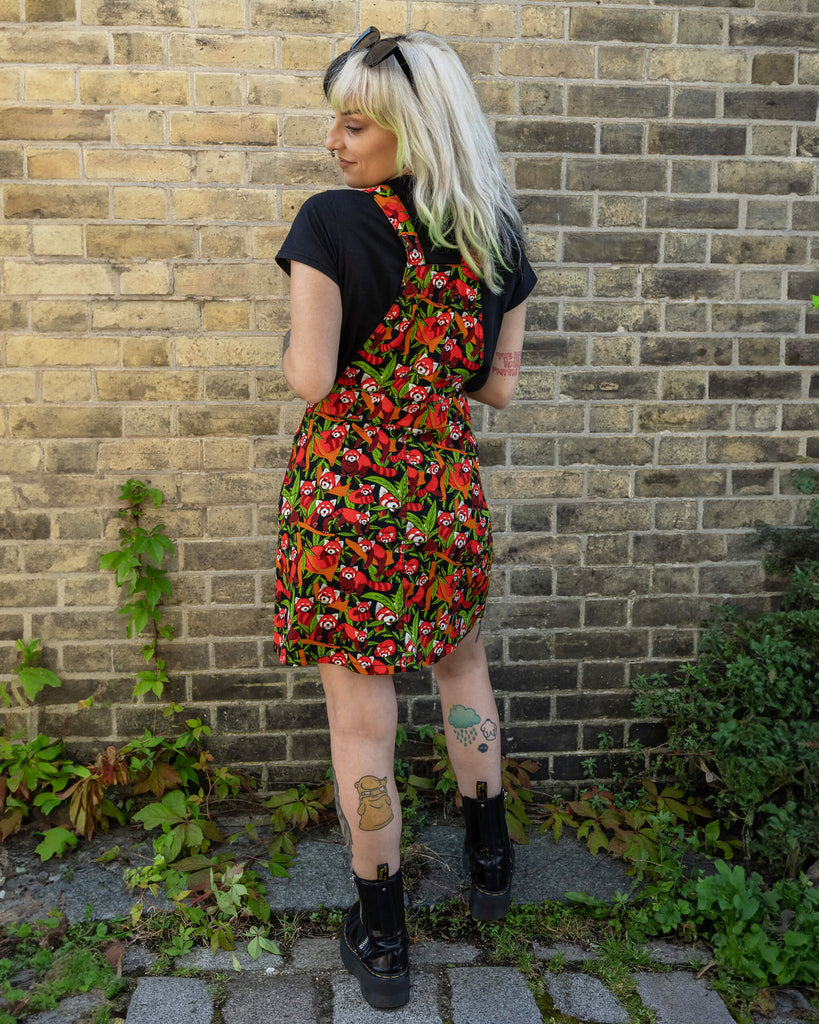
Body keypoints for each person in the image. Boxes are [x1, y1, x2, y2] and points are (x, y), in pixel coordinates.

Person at [272, 27, 537, 1009]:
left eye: (355, 123)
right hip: (441, 493)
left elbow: (311, 378)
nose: (335, 142)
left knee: (362, 721)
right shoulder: (497, 236)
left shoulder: (333, 223)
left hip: (350, 500)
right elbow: (498, 392)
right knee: (462, 665)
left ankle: (382, 939)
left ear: (410, 132)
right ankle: (492, 861)